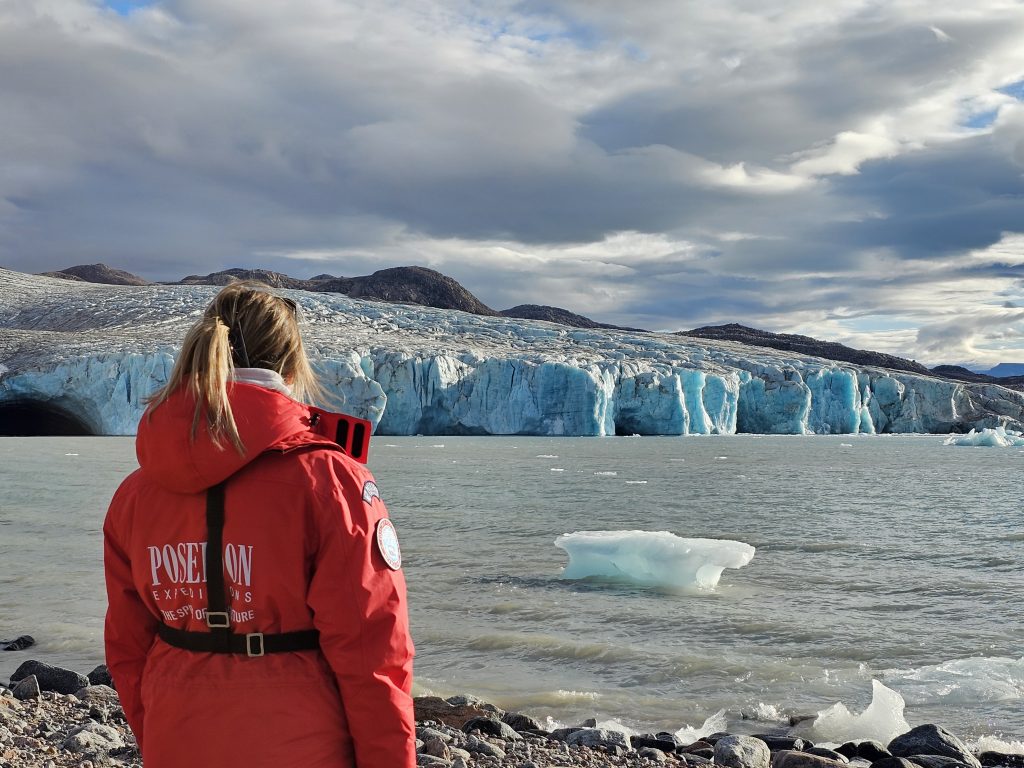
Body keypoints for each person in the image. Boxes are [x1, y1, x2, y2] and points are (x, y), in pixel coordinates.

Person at [103, 281, 416, 768]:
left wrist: (161, 735)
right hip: (302, 741)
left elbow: (126, 649)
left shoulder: (135, 496)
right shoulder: (329, 479)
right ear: (291, 368)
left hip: (175, 736)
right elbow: (373, 650)